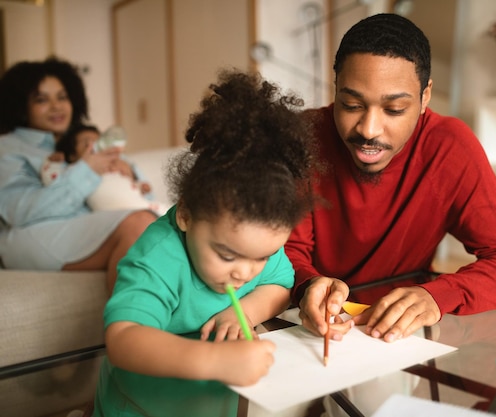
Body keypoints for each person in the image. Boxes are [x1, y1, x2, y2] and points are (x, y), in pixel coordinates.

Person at [285, 13, 496, 344]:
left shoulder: (449, 147)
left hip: (400, 336)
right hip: (309, 327)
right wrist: (307, 285)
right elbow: (283, 250)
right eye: (351, 104)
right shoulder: (302, 138)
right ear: (335, 89)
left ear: (425, 97)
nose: (369, 130)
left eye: (394, 110)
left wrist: (438, 294)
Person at [92, 70, 320, 417]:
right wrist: (215, 360)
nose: (245, 271)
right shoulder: (158, 257)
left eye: (263, 256)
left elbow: (280, 285)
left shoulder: (254, 252)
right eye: (227, 254)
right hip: (138, 407)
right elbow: (124, 338)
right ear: (186, 214)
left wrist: (243, 311)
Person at [0, 56, 157, 293]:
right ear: (21, 107)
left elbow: (139, 195)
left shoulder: (81, 141)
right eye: (41, 99)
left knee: (163, 226)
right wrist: (87, 170)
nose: (56, 106)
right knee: (138, 224)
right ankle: (126, 328)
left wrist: (131, 175)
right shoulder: (8, 147)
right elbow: (19, 212)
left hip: (85, 222)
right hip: (28, 234)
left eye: (62, 97)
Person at [41, 123, 169, 215]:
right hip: (115, 215)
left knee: (169, 214)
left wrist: (139, 184)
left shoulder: (118, 163)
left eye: (100, 144)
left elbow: (131, 189)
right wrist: (53, 162)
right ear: (72, 155)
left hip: (142, 206)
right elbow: (53, 182)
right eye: (88, 144)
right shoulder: (74, 170)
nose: (97, 149)